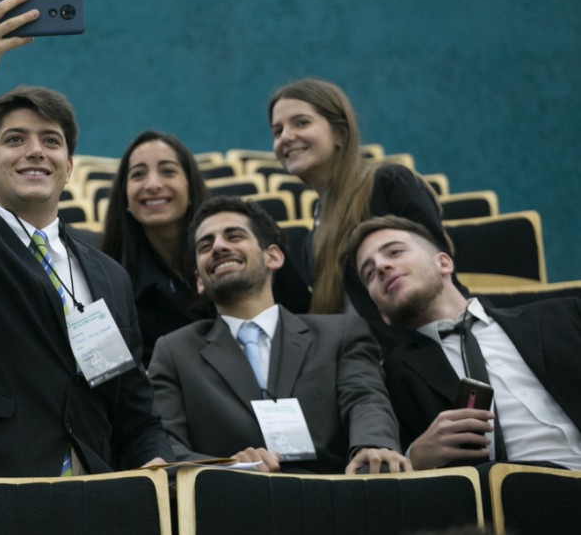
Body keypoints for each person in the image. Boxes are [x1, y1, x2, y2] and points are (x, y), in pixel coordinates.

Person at [0, 0, 171, 477]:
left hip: (89, 496)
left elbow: (134, 411)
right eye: (14, 140)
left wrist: (154, 458)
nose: (36, 151)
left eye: (52, 142)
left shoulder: (110, 276)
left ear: (68, 168)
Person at [149, 196, 408, 474]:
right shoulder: (174, 352)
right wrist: (231, 467)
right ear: (199, 280)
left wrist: (372, 446)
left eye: (234, 236)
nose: (219, 247)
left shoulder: (340, 334)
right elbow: (164, 447)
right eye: (205, 245)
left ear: (273, 256)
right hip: (233, 503)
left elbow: (365, 398)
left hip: (334, 497)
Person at [350, 215, 581, 471]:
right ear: (382, 312)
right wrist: (415, 456)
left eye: (394, 252)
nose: (382, 266)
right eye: (369, 273)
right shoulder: (391, 380)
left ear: (444, 263)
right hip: (509, 500)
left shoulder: (564, 314)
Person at [268, 78, 450, 352]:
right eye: (277, 130)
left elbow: (437, 280)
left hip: (423, 353)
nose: (286, 137)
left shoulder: (389, 183)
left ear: (340, 133)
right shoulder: (312, 239)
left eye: (301, 123)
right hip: (360, 366)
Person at [101, 131, 213, 366]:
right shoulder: (109, 281)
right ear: (125, 198)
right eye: (138, 174)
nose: (153, 185)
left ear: (190, 187)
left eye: (168, 171)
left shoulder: (232, 252)